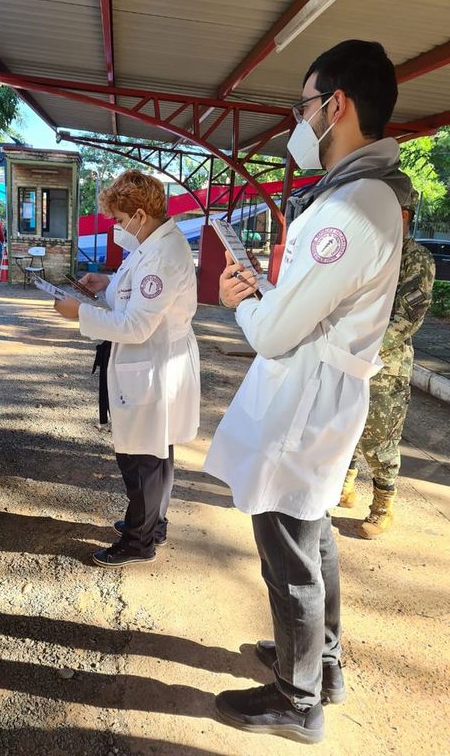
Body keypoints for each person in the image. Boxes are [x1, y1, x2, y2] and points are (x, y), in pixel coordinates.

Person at [203, 40, 411, 744]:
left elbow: (274, 333)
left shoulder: (354, 207)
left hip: (306, 400)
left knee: (288, 545)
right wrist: (270, 292)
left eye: (304, 106)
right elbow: (304, 305)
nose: (300, 121)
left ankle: (297, 701)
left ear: (336, 106)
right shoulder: (365, 197)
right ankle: (320, 663)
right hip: (321, 393)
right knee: (312, 529)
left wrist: (243, 301)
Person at [52, 170, 200, 567]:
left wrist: (78, 312)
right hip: (153, 360)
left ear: (138, 213)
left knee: (141, 456)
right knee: (156, 448)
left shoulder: (163, 256)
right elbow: (136, 286)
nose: (116, 227)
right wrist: (107, 282)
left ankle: (139, 540)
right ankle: (152, 523)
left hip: (151, 362)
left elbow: (137, 324)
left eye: (118, 220)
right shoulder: (155, 243)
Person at [339, 191, 435, 537]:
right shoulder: (373, 253)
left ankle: (383, 506)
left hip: (386, 364)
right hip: (351, 355)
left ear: (404, 216)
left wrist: (365, 349)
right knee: (346, 425)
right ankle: (343, 488)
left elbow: (409, 315)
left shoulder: (416, 258)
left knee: (379, 437)